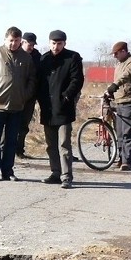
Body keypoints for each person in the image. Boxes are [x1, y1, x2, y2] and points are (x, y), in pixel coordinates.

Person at [0, 26, 35, 181]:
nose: (13, 44)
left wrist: (25, 95)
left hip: (17, 106)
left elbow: (32, 79)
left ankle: (8, 171)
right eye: (11, 40)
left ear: (20, 41)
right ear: (5, 39)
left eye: (16, 41)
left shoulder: (26, 57)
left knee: (11, 141)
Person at [36, 30, 84, 189]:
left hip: (64, 108)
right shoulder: (44, 59)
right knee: (50, 145)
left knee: (63, 144)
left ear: (64, 43)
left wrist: (67, 97)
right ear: (49, 42)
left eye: (59, 43)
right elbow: (39, 81)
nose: (56, 47)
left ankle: (66, 176)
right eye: (53, 43)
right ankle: (55, 173)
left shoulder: (72, 57)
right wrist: (40, 100)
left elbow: (77, 80)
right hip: (48, 109)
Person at [104, 41, 131, 171]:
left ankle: (127, 161)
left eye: (116, 53)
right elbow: (116, 81)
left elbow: (127, 76)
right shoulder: (119, 64)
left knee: (128, 132)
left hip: (130, 101)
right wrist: (110, 92)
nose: (114, 56)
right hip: (119, 101)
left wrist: (114, 86)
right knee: (119, 132)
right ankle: (121, 158)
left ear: (124, 51)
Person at [15, 32, 41, 159]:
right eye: (28, 44)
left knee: (24, 124)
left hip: (30, 97)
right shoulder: (15, 54)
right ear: (22, 42)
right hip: (15, 96)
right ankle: (6, 149)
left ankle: (19, 150)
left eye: (32, 45)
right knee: (11, 124)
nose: (31, 47)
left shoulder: (37, 56)